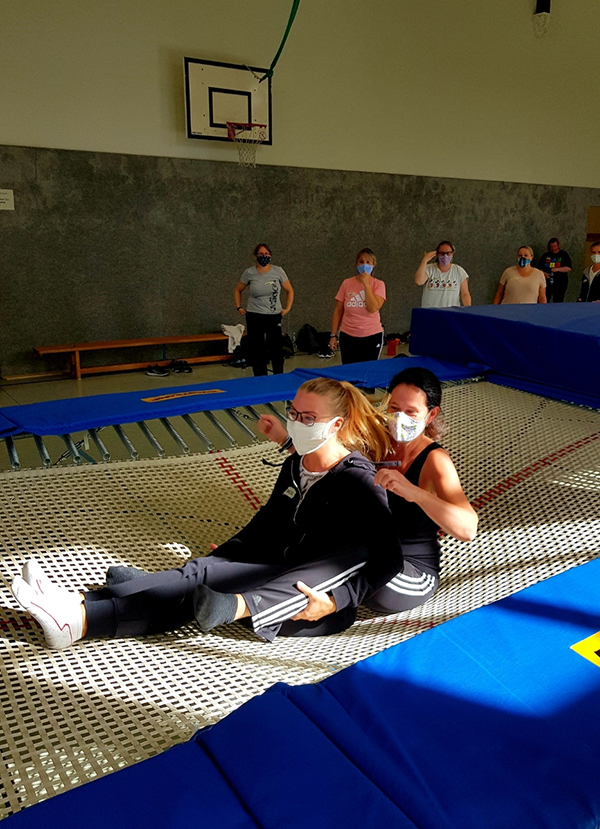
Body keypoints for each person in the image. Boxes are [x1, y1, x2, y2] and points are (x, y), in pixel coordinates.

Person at [11, 378, 408, 648]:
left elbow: (389, 558)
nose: (297, 423)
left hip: (307, 601)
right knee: (199, 573)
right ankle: (80, 602)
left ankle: (80, 622)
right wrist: (226, 554)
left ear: (336, 424)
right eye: (293, 412)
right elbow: (268, 522)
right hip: (277, 566)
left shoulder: (359, 481)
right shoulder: (297, 463)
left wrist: (337, 599)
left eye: (309, 418)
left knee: (197, 594)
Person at [259, 366, 478, 622]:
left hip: (407, 571)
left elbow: (468, 529)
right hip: (365, 550)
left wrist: (415, 493)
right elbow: (329, 463)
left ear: (431, 415)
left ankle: (331, 602)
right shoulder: (378, 438)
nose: (400, 418)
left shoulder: (435, 460)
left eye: (411, 412)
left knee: (352, 554)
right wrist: (286, 441)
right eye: (394, 408)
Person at [234, 244, 294, 376]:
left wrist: (287, 308)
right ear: (255, 256)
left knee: (276, 348)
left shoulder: (278, 271)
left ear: (270, 255)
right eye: (261, 254)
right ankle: (260, 377)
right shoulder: (249, 273)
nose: (264, 256)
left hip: (273, 315)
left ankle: (278, 376)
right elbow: (238, 290)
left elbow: (289, 290)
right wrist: (239, 306)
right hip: (255, 315)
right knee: (257, 348)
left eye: (266, 253)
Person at [329, 248, 386, 364]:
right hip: (348, 335)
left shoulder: (379, 284)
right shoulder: (347, 283)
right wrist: (333, 335)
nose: (364, 265)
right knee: (349, 369)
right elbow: (338, 311)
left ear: (373, 265)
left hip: (371, 335)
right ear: (356, 264)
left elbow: (373, 308)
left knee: (368, 371)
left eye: (368, 262)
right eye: (361, 262)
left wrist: (366, 285)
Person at [415, 241, 472, 308]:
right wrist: (425, 260)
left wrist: (468, 309)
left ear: (452, 254)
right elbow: (419, 281)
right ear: (437, 254)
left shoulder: (459, 271)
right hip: (430, 313)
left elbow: (465, 294)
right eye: (442, 253)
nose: (445, 256)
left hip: (451, 314)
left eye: (448, 253)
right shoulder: (429, 268)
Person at [537, 237, 572, 303]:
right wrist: (544, 274)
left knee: (558, 300)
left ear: (558, 246)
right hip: (547, 283)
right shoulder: (545, 255)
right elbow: (539, 269)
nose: (553, 248)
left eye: (554, 246)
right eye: (551, 247)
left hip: (560, 283)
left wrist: (558, 269)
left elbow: (569, 268)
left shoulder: (564, 254)